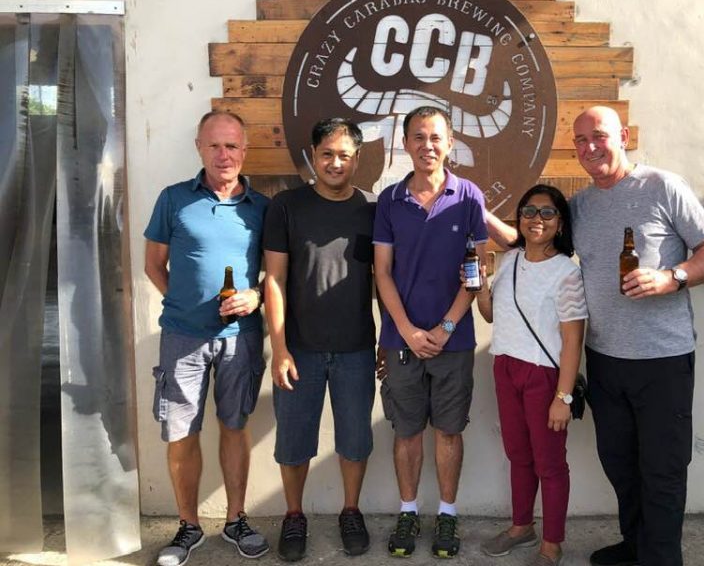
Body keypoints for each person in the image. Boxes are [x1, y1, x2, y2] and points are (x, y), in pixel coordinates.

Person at [487, 106, 704, 566]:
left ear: (623, 137)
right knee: (619, 462)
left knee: (662, 468)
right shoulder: (580, 207)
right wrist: (476, 211)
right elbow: (531, 241)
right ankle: (635, 544)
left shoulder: (663, 187)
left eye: (598, 135)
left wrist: (672, 277)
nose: (589, 147)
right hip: (605, 358)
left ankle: (660, 557)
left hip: (662, 358)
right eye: (580, 140)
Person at [144, 111, 270, 566]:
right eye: (214, 145)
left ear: (244, 151)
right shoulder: (173, 199)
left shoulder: (262, 207)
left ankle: (236, 520)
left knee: (235, 425)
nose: (223, 155)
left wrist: (255, 295)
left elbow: (276, 272)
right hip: (182, 338)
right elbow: (153, 264)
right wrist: (183, 303)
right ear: (199, 147)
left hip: (242, 337)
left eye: (232, 146)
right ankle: (188, 525)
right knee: (182, 432)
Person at [373, 105, 489, 558]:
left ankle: (447, 514)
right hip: (401, 341)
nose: (428, 145)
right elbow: (382, 272)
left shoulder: (469, 196)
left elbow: (475, 271)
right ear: (405, 144)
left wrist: (445, 326)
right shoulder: (389, 200)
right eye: (419, 137)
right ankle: (407, 512)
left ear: (450, 142)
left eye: (436, 137)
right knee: (406, 431)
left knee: (448, 431)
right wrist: (406, 330)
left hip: (453, 341)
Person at [263, 118, 377, 561]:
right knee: (293, 443)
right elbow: (274, 280)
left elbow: (384, 278)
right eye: (327, 154)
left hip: (356, 348)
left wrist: (388, 341)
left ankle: (351, 511)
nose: (335, 163)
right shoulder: (286, 207)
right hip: (299, 350)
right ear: (313, 155)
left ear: (357, 159)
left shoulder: (371, 209)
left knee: (355, 440)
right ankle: (294, 516)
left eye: (344, 155)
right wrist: (279, 348)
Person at [475, 185, 587, 566]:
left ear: (560, 223)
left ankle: (552, 544)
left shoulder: (567, 273)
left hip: (544, 377)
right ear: (519, 218)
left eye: (547, 212)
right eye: (529, 211)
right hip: (505, 367)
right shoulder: (509, 260)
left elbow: (573, 341)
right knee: (518, 455)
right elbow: (492, 315)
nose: (537, 219)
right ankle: (522, 526)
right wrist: (480, 290)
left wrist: (563, 397)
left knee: (549, 464)